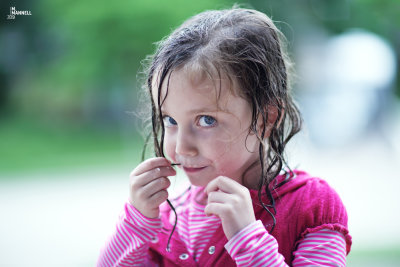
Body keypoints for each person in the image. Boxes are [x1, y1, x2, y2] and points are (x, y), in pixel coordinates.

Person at [97, 7, 352, 267]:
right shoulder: (163, 217)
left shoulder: (312, 206)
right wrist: (136, 223)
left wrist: (247, 239)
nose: (182, 147)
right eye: (170, 120)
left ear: (266, 119)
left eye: (207, 120)